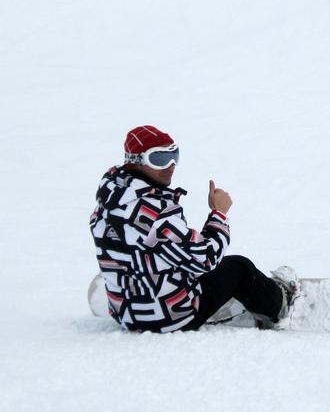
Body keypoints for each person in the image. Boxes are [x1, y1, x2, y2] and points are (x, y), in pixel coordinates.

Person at [89, 125, 298, 333]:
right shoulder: (153, 213)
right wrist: (219, 214)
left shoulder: (110, 200)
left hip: (126, 314)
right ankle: (279, 305)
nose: (170, 165)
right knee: (239, 268)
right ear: (136, 161)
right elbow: (206, 258)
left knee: (178, 260)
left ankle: (146, 295)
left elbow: (141, 246)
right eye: (159, 158)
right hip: (169, 318)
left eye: (174, 155)